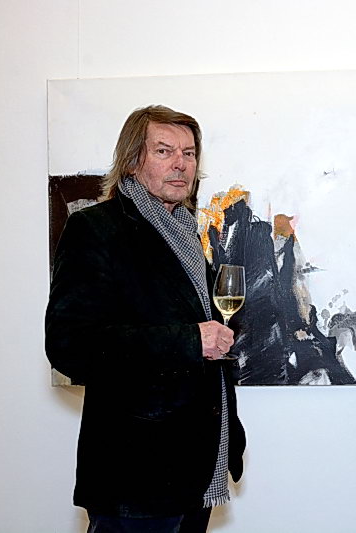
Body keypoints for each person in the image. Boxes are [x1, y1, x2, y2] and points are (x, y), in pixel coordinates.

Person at [46, 105, 246, 533]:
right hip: (135, 475)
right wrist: (190, 340)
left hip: (198, 465)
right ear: (133, 161)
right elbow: (69, 345)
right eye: (164, 151)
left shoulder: (186, 233)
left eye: (189, 153)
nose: (181, 164)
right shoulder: (95, 230)